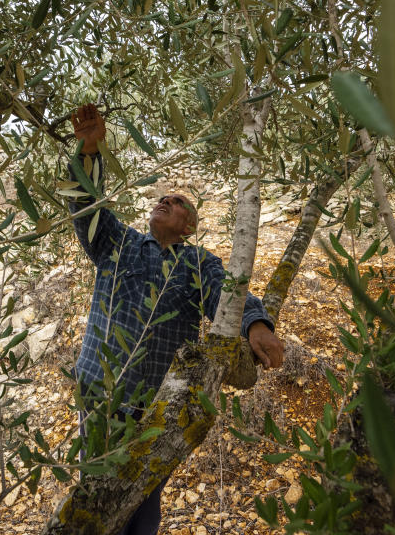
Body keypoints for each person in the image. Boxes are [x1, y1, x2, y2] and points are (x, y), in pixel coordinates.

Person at [67, 104, 284, 535]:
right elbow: (84, 207)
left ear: (189, 228)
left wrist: (257, 324)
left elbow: (229, 293)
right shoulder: (120, 243)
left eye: (179, 202)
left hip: (155, 411)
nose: (166, 199)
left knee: (143, 505)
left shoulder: (196, 263)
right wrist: (88, 151)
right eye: (163, 197)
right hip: (100, 398)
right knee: (95, 496)